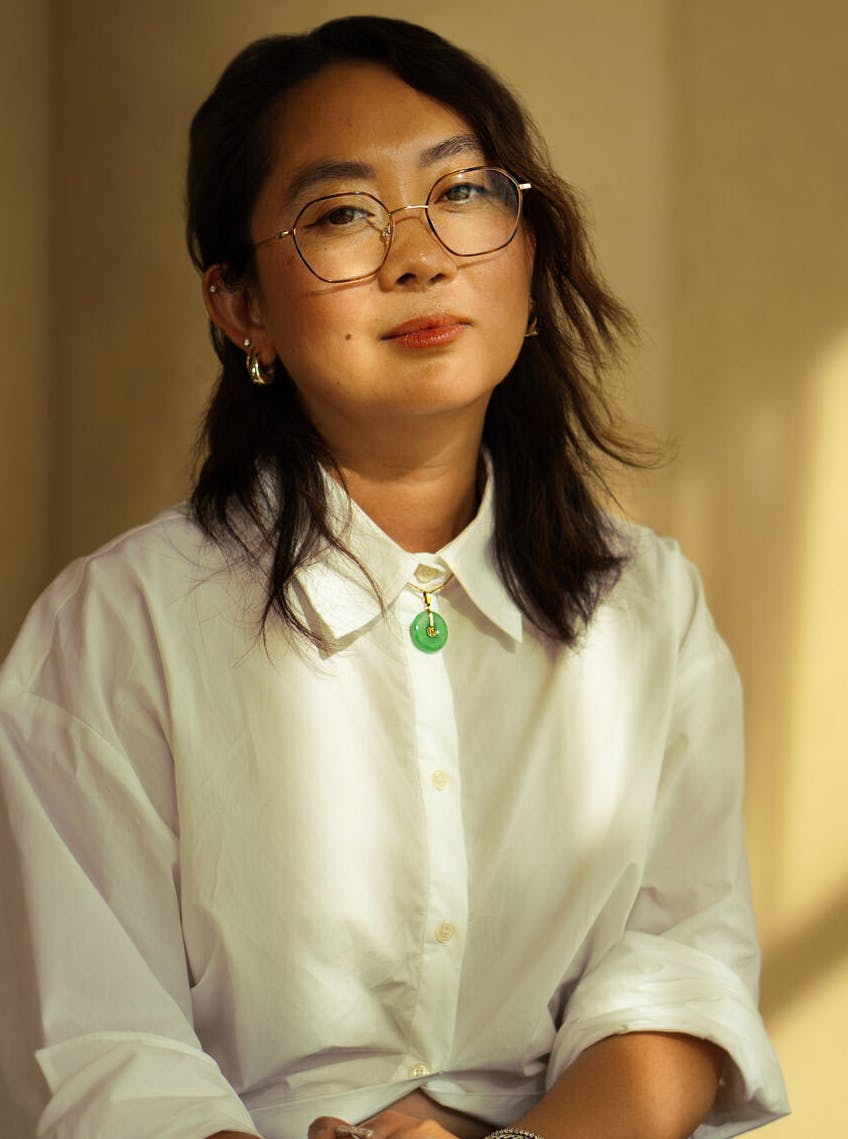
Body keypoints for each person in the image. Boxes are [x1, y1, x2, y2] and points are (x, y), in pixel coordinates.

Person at [0, 15, 788, 1139]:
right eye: (339, 215)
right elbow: (98, 1047)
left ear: (528, 246)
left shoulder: (647, 606)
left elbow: (677, 972)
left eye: (461, 192)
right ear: (241, 307)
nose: (418, 255)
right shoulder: (112, 628)